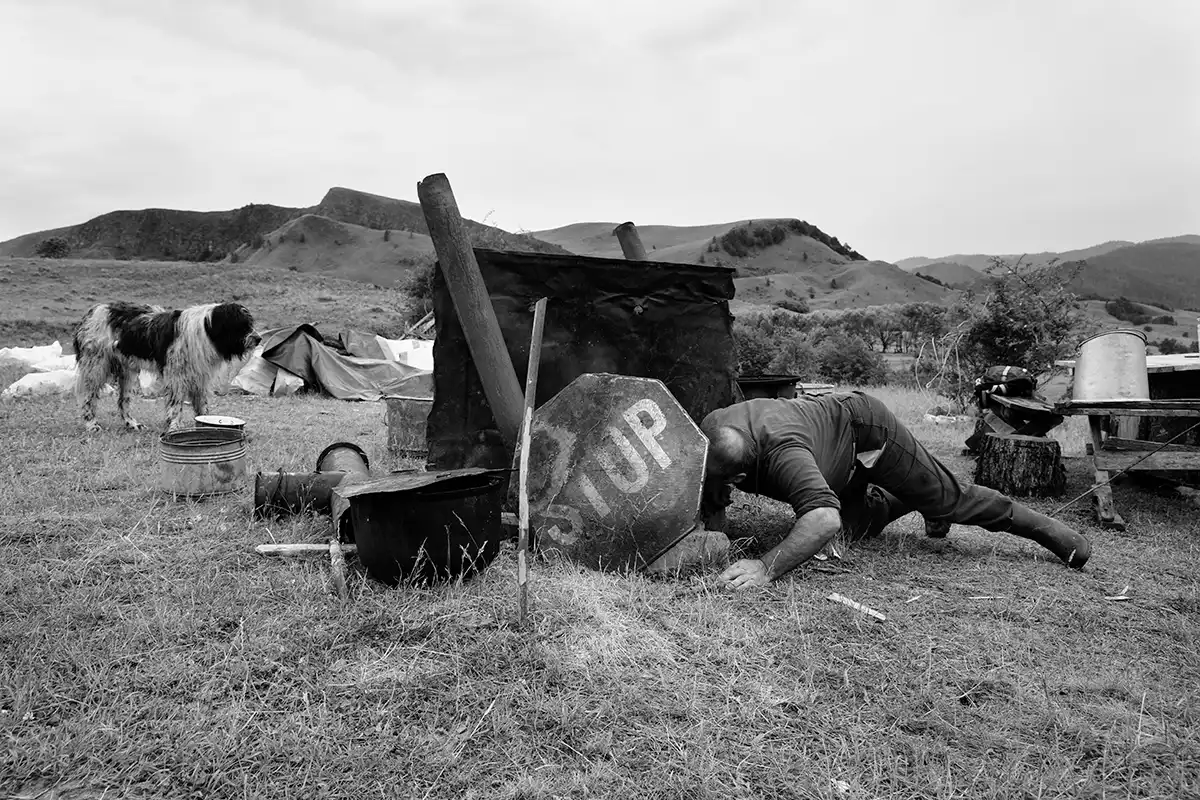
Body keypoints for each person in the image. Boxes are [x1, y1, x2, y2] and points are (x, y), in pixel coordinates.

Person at [699, 390, 1091, 590]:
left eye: (729, 483)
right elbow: (708, 484)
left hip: (865, 429)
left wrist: (765, 568)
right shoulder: (709, 429)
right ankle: (902, 499)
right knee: (855, 531)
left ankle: (1044, 529)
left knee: (946, 499)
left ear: (741, 475)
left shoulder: (785, 454)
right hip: (830, 459)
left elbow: (822, 519)